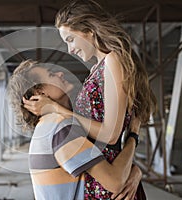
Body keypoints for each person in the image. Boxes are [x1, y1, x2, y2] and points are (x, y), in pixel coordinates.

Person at [22, 0, 156, 199]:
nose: (69, 49)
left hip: (108, 185)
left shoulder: (112, 61)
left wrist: (57, 109)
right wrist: (135, 168)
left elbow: (110, 135)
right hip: (101, 176)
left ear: (89, 31)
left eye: (70, 39)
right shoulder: (97, 69)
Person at [7, 60, 142, 200]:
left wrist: (135, 171)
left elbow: (104, 166)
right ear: (40, 93)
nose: (61, 73)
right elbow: (114, 182)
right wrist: (133, 135)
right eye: (51, 75)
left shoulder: (49, 126)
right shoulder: (59, 127)